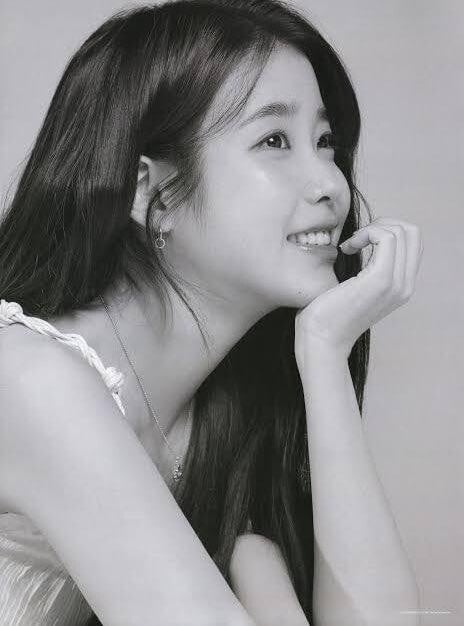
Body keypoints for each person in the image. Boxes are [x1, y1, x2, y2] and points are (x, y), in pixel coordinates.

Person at [0, 0, 424, 624]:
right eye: (274, 141)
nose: (332, 184)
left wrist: (326, 353)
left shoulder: (220, 422)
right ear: (150, 191)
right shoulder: (30, 381)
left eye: (325, 141)